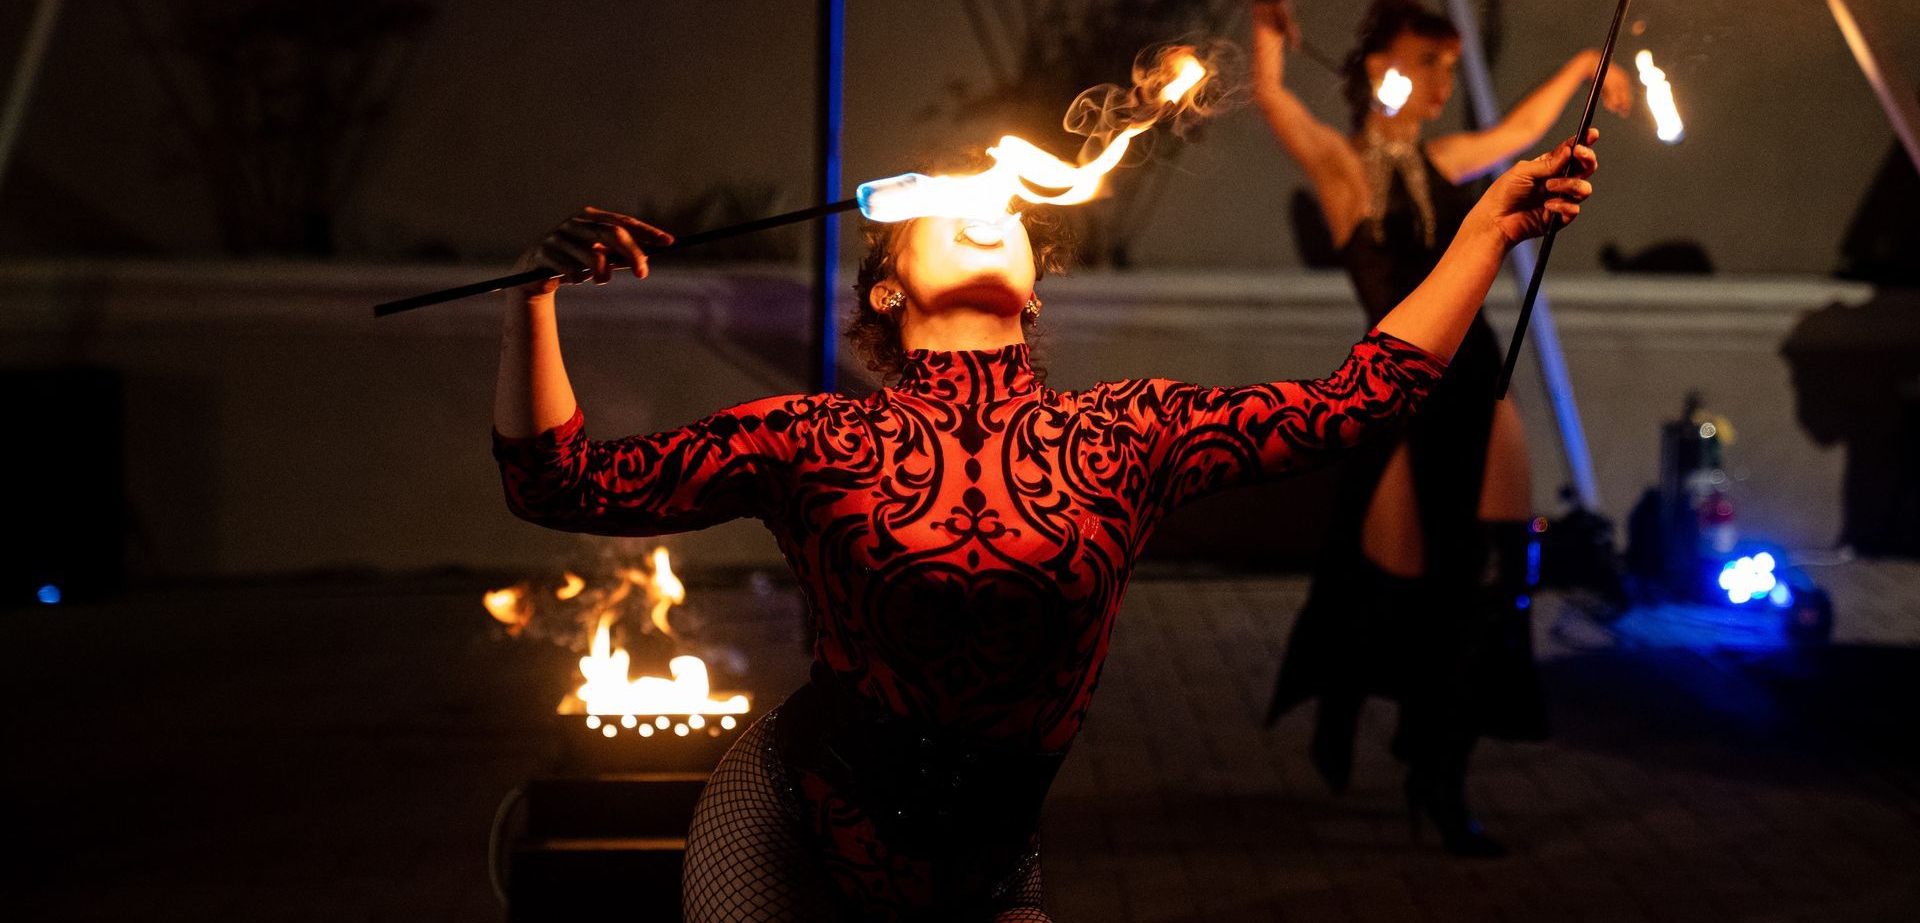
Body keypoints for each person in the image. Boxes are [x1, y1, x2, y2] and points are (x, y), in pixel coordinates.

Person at [491, 76, 1599, 918]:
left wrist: (1486, 231)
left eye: (1009, 209)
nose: (989, 206)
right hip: (790, 824)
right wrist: (531, 298)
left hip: (987, 863)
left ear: (1033, 287)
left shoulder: (1130, 434)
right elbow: (558, 482)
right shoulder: (812, 438)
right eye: (945, 207)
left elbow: (1360, 398)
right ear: (888, 288)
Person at [1250, 0, 1628, 856]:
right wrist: (1268, 35)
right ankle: (1351, 700)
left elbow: (1517, 134)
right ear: (1381, 65)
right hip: (1396, 391)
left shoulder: (1448, 159)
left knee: (1492, 582)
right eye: (1428, 64)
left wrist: (1583, 66)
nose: (1440, 84)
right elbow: (1272, 98)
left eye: (1449, 69)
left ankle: (1440, 773)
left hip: (1478, 378)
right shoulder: (1342, 168)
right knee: (1392, 582)